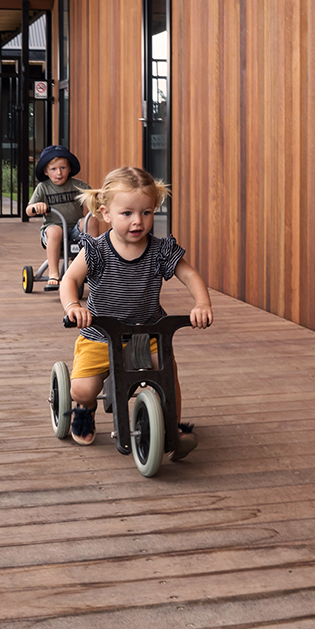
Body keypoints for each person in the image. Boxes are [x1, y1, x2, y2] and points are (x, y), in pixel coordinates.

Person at [59, 165, 213, 451]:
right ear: (106, 213)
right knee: (83, 389)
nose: (138, 221)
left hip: (147, 333)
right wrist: (73, 305)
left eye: (146, 212)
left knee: (167, 373)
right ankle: (83, 410)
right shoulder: (97, 250)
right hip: (100, 334)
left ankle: (171, 428)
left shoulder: (160, 250)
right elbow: (70, 279)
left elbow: (190, 275)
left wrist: (202, 303)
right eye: (127, 213)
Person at [26, 146, 100, 291]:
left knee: (90, 220)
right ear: (45, 171)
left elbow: (93, 198)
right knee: (55, 231)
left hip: (76, 231)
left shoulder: (77, 185)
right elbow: (28, 211)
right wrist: (36, 206)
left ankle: (94, 264)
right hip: (52, 231)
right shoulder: (43, 187)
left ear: (69, 169)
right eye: (53, 169)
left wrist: (100, 196)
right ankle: (53, 273)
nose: (59, 172)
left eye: (63, 168)